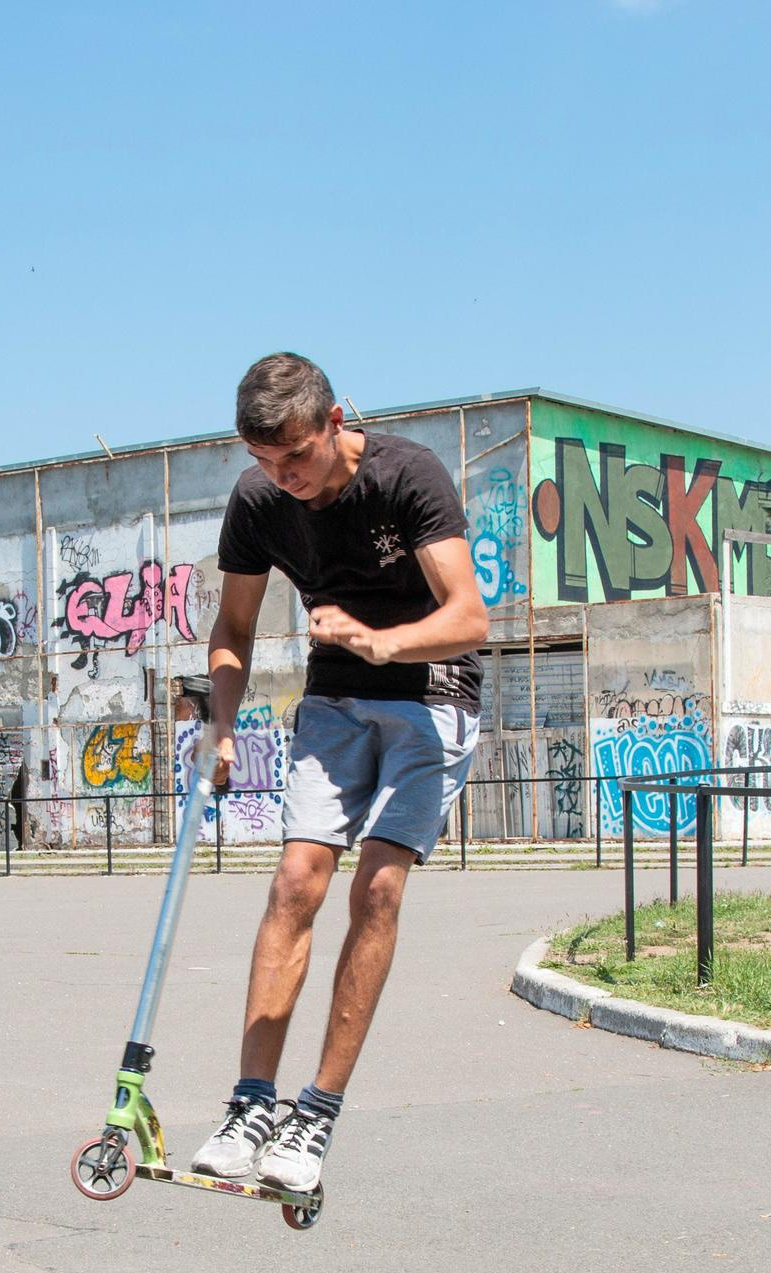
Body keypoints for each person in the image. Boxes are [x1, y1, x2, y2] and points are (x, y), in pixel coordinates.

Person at [189, 353, 487, 1196]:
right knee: (294, 881)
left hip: (431, 693)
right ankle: (252, 1106)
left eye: (296, 458)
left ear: (333, 423)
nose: (283, 479)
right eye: (264, 463)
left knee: (379, 891)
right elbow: (234, 626)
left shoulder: (407, 476)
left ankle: (315, 1114)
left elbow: (469, 617)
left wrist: (378, 640)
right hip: (334, 700)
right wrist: (220, 718)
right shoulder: (259, 501)